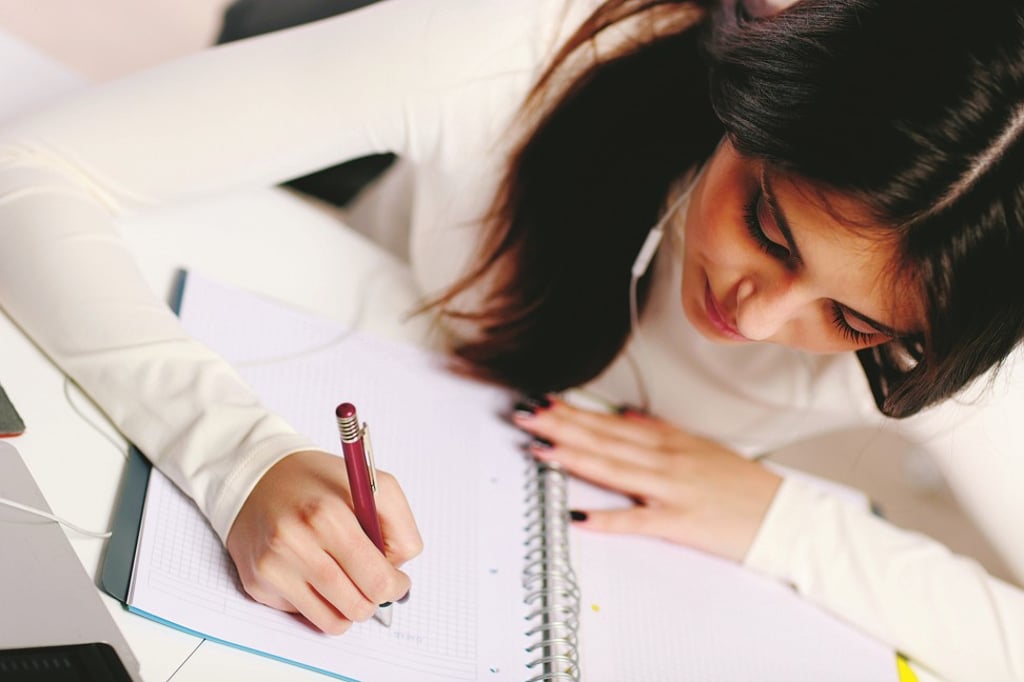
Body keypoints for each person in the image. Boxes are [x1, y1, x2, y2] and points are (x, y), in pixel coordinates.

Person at [0, 0, 1022, 680]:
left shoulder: (959, 323)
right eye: (764, 223)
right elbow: (25, 172)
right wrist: (234, 453)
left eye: (848, 322)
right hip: (324, 298)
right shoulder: (516, 40)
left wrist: (781, 520)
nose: (755, 318)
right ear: (757, 98)